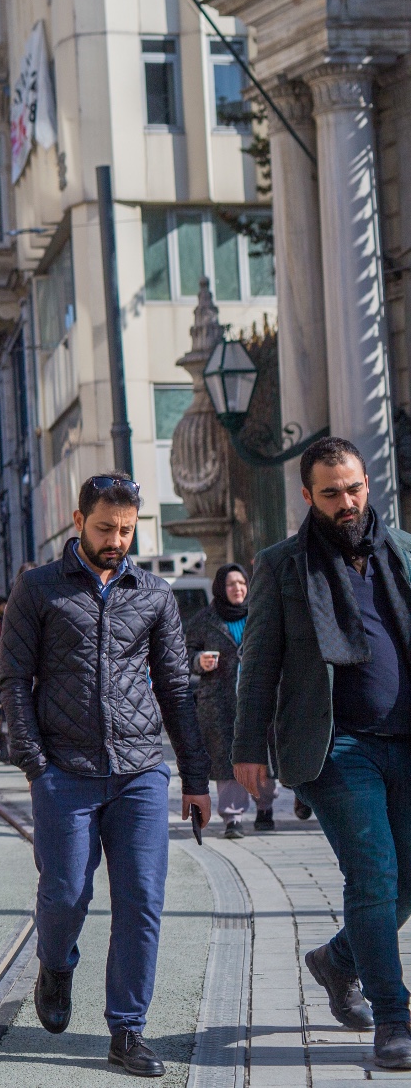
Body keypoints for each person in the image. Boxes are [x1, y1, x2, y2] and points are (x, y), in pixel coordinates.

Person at [0, 472, 208, 1077]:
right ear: (78, 522)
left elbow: (174, 688)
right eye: (105, 528)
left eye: (126, 528)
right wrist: (35, 764)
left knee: (142, 899)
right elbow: (14, 680)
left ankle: (128, 1030)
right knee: (65, 893)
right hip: (65, 769)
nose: (117, 539)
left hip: (141, 769)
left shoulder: (155, 594)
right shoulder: (37, 589)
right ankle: (56, 964)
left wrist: (194, 778)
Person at [233, 438, 411, 1069]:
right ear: (307, 496)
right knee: (374, 874)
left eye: (354, 488)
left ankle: (337, 962)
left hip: (406, 737)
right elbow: (258, 665)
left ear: (368, 485)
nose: (346, 502)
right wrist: (248, 746)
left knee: (407, 882)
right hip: (335, 747)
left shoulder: (402, 551)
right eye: (331, 492)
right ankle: (395, 1019)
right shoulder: (283, 565)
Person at [185, 563, 270, 840]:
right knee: (226, 759)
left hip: (260, 696)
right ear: (221, 588)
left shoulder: (261, 614)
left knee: (262, 753)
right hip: (219, 702)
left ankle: (265, 806)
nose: (238, 589)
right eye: (231, 584)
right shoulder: (204, 620)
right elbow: (183, 655)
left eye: (242, 583)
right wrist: (199, 661)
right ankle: (233, 817)